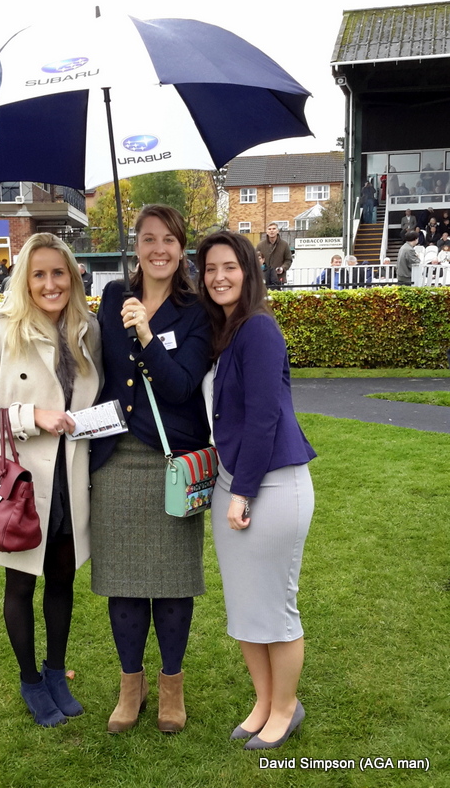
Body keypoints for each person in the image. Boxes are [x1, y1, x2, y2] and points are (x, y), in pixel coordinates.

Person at [0, 233, 102, 727]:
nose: (49, 283)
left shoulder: (88, 329)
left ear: (73, 277)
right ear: (24, 278)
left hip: (72, 475)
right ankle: (30, 680)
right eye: (38, 274)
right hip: (21, 480)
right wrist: (31, 416)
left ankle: (56, 670)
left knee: (62, 577)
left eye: (58, 273)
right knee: (20, 583)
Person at [89, 205, 211, 734]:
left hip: (172, 461)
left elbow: (183, 386)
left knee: (173, 583)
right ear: (135, 245)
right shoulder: (116, 296)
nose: (158, 249)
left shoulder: (198, 310)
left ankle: (171, 688)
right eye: (147, 238)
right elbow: (101, 370)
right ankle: (129, 687)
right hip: (116, 459)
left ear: (183, 247)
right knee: (124, 583)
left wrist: (145, 336)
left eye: (169, 239)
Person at [196, 231, 316, 751]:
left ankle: (287, 708)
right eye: (209, 269)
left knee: (275, 607)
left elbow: (266, 416)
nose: (219, 276)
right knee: (246, 607)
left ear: (249, 271)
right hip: (234, 483)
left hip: (270, 485)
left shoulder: (260, 330)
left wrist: (243, 491)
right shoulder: (227, 331)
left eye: (230, 266)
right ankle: (264, 702)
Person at [256, 223, 292, 289]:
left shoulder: (284, 245)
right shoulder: (260, 245)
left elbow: (288, 260)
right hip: (263, 279)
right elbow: (255, 260)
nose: (271, 231)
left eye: (274, 229)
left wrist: (283, 268)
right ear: (266, 232)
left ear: (277, 231)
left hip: (279, 278)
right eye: (269, 229)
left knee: (278, 298)